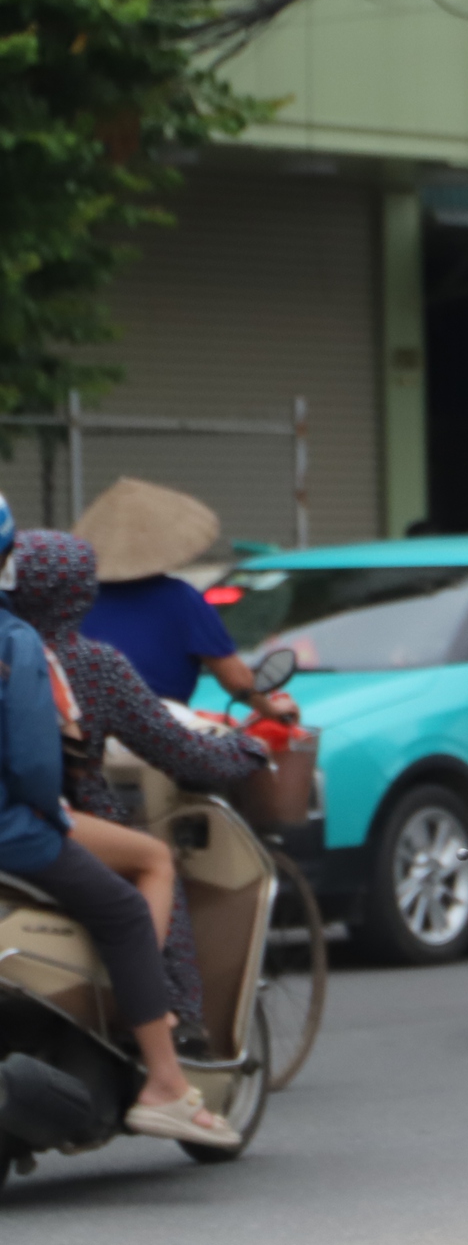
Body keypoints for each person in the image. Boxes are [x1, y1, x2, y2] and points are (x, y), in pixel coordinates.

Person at [0, 504, 237, 1149]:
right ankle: (163, 1076)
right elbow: (31, 760)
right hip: (26, 826)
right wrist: (49, 814)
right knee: (138, 893)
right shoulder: (37, 649)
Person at [11, 531, 268, 1040]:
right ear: (79, 592)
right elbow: (179, 750)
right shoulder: (90, 663)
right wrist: (248, 750)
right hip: (57, 814)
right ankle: (162, 1014)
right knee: (154, 860)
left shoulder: (10, 646)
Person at [74, 477, 296, 722]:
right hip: (159, 733)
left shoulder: (75, 600)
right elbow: (237, 681)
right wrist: (272, 711)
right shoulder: (181, 598)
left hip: (82, 732)